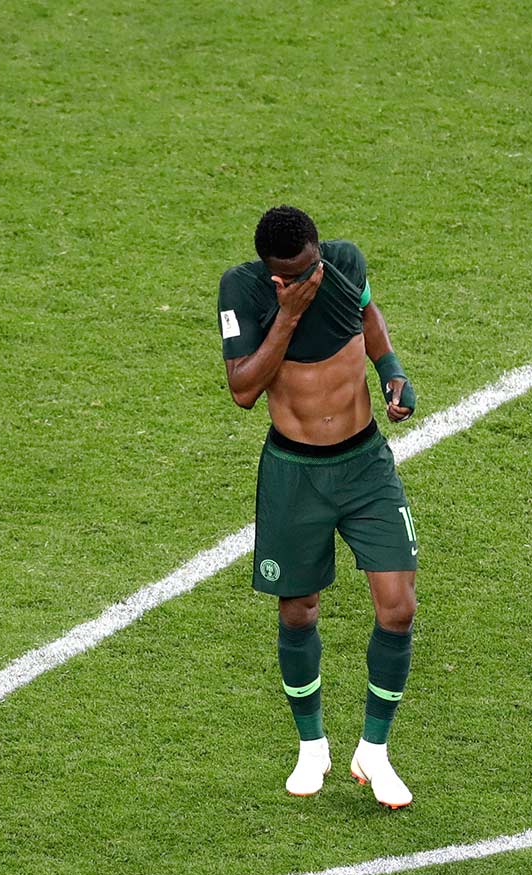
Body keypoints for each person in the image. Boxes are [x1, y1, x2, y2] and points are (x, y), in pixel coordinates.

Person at [218, 205, 419, 808]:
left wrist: (391, 373)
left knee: (399, 607)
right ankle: (313, 745)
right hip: (295, 474)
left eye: (306, 271)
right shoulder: (244, 290)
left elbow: (367, 313)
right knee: (299, 611)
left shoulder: (344, 262)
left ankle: (374, 751)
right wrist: (286, 315)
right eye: (285, 276)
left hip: (364, 466)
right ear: (267, 270)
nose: (300, 282)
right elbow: (243, 390)